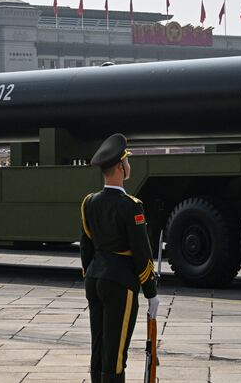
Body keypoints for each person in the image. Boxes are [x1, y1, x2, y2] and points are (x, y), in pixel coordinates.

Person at [80, 133, 159, 383]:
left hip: (94, 279)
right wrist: (151, 291)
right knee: (115, 353)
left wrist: (92, 274)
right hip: (119, 283)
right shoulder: (131, 205)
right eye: (127, 161)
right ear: (120, 167)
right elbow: (141, 250)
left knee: (99, 348)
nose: (129, 166)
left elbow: (86, 247)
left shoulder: (89, 202)